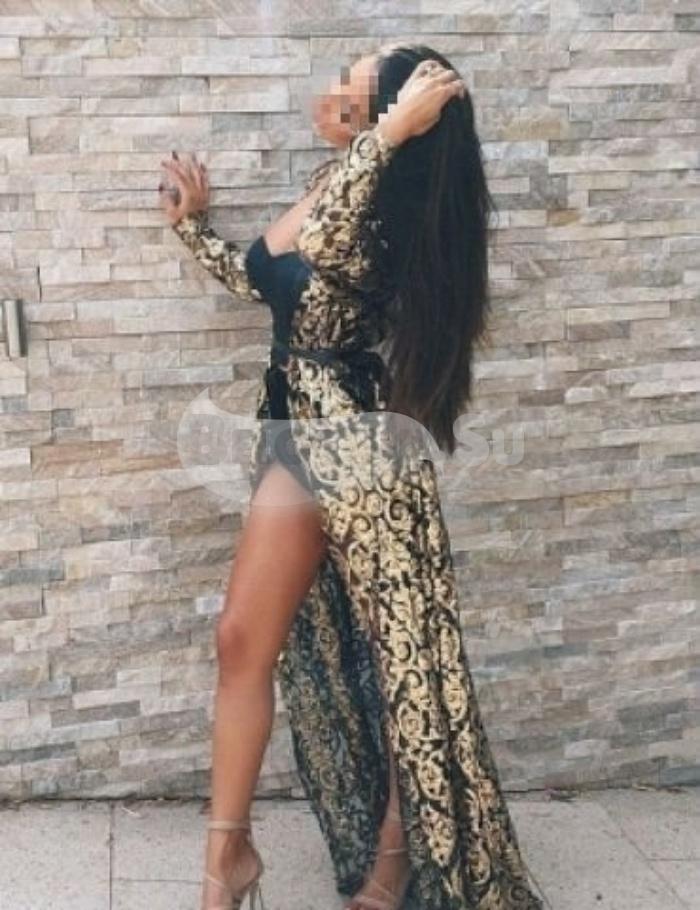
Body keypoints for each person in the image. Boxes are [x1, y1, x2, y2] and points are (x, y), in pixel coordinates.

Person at [159, 42, 543, 910]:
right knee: (240, 639)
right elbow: (267, 282)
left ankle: (394, 859)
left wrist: (394, 136)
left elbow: (329, 247)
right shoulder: (337, 181)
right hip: (297, 439)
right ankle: (226, 861)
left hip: (366, 452)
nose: (330, 91)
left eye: (355, 86)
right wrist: (193, 226)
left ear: (391, 118)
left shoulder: (389, 211)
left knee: (404, 668)